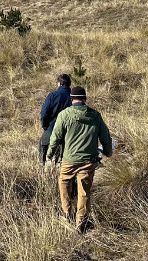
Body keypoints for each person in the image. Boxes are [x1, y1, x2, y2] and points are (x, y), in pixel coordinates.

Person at [46, 85, 112, 232]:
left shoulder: (64, 115)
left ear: (71, 99)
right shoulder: (95, 115)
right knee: (84, 191)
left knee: (64, 183)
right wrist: (108, 152)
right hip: (88, 161)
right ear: (85, 99)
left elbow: (55, 138)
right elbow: (106, 138)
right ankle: (80, 221)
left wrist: (49, 155)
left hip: (68, 160)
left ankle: (66, 212)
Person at [39, 74, 72, 164]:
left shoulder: (52, 95)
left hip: (51, 128)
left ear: (60, 83)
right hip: (69, 132)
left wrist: (45, 126)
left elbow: (44, 113)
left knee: (43, 146)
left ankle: (43, 165)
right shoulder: (74, 97)